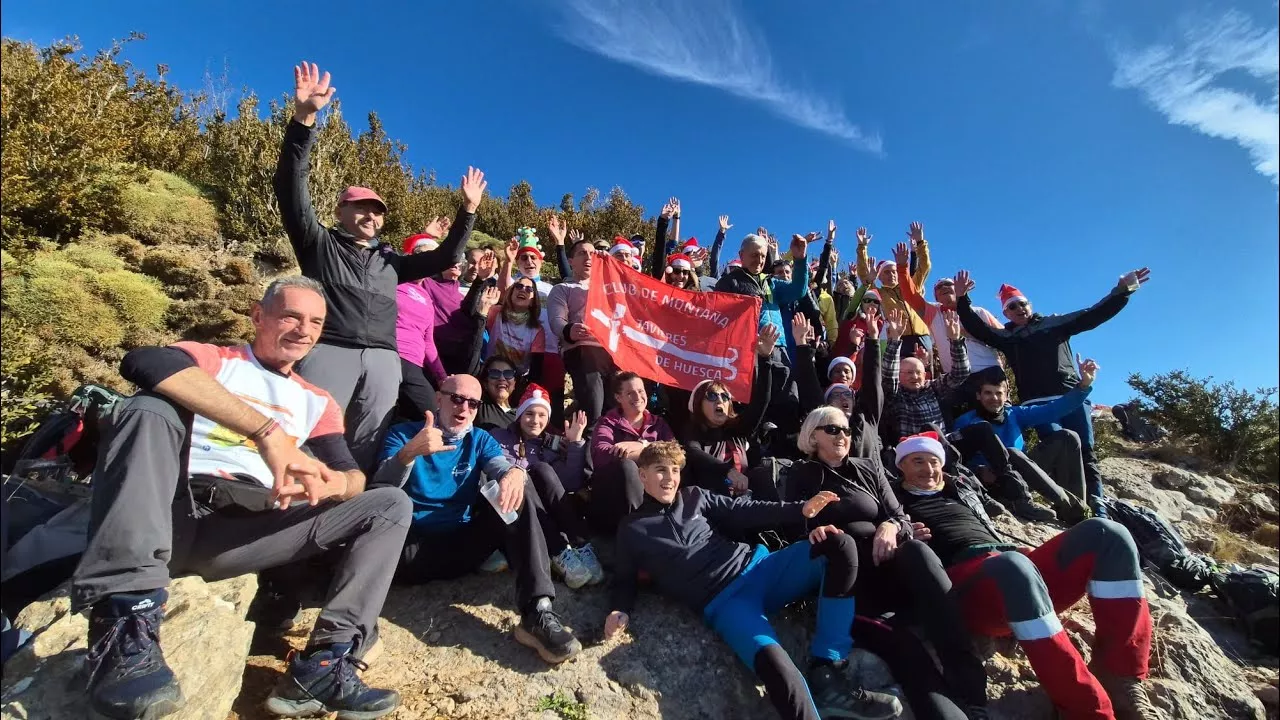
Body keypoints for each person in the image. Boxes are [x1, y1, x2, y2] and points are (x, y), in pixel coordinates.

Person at [72, 277, 408, 720]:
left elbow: (352, 474)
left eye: (315, 322)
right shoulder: (219, 361)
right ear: (258, 316)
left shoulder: (317, 400)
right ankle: (124, 629)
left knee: (390, 504)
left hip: (246, 528)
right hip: (172, 510)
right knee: (146, 409)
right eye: (290, 316)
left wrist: (333, 486)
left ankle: (326, 664)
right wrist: (267, 433)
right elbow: (143, 362)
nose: (303, 330)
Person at [274, 62, 486, 471]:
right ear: (340, 211)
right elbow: (290, 186)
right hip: (331, 348)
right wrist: (304, 121)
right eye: (362, 208)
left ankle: (351, 508)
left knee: (368, 440)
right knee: (312, 431)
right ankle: (298, 507)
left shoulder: (391, 262)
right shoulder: (318, 244)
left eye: (378, 212)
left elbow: (444, 258)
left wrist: (469, 212)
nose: (372, 217)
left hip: (383, 360)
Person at [604, 442, 903, 720]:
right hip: (727, 604)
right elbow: (625, 578)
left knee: (840, 545)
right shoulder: (632, 529)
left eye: (674, 470)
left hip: (760, 567)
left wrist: (799, 509)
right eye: (660, 470)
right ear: (642, 476)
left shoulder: (694, 496)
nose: (669, 478)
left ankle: (828, 668)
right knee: (777, 667)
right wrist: (620, 609)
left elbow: (744, 509)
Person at [892, 431, 1159, 720]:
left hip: (1011, 563)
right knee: (1013, 566)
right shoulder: (892, 500)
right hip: (965, 585)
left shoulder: (961, 488)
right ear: (900, 466)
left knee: (1110, 533)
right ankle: (1086, 709)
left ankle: (1120, 675)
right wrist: (899, 530)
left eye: (933, 461)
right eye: (917, 461)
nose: (928, 469)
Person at [786, 408, 989, 720]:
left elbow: (900, 517)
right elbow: (798, 526)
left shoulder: (869, 468)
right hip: (855, 588)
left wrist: (891, 526)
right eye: (833, 429)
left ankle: (973, 692)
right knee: (906, 649)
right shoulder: (802, 475)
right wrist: (817, 531)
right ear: (813, 436)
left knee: (918, 552)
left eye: (847, 429)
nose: (843, 435)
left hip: (894, 571)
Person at [376, 375, 582, 665]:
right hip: (410, 551)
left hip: (463, 545)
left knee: (513, 491)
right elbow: (379, 490)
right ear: (438, 398)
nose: (464, 408)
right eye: (456, 398)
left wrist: (514, 473)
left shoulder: (479, 438)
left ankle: (537, 609)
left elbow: (498, 465)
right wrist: (409, 454)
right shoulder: (403, 434)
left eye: (473, 403)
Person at [953, 267, 1152, 517]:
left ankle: (1096, 504)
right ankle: (1068, 504)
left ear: (1030, 304)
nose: (1019, 309)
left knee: (1086, 451)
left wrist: (1122, 291)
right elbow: (978, 327)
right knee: (1059, 446)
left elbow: (1092, 315)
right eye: (1012, 307)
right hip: (1038, 404)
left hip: (1071, 396)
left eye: (1022, 304)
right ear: (1005, 313)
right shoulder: (1007, 338)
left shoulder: (1055, 323)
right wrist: (962, 299)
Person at [953, 355, 1102, 512]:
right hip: (993, 482)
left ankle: (1074, 508)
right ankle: (1075, 509)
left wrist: (1084, 385)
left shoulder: (1015, 414)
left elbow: (1053, 410)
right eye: (988, 393)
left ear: (1006, 395)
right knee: (1011, 453)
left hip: (1024, 475)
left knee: (1068, 437)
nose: (994, 398)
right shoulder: (965, 421)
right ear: (978, 395)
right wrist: (978, 470)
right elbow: (956, 458)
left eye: (999, 393)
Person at [491, 386, 602, 589]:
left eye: (542, 415)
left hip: (545, 513)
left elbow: (568, 484)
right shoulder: (499, 437)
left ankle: (579, 544)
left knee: (543, 470)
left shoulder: (548, 446)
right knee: (529, 476)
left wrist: (576, 442)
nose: (535, 420)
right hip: (513, 511)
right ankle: (559, 551)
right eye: (530, 413)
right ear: (519, 414)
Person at [716, 233, 811, 430]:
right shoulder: (729, 282)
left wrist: (800, 260)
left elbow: (798, 290)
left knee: (787, 396)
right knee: (757, 397)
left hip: (779, 346)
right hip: (748, 351)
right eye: (753, 255)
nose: (759, 260)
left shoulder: (772, 282)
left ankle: (785, 439)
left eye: (762, 255)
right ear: (741, 255)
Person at [681, 326, 780, 497]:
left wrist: (764, 358)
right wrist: (728, 471)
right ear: (698, 404)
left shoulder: (738, 432)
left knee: (763, 474)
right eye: (711, 396)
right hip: (708, 505)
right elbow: (693, 452)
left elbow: (761, 400)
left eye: (725, 397)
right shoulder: (692, 434)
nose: (720, 400)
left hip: (743, 505)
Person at [587, 372, 676, 532]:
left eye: (641, 391)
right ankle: (640, 529)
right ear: (618, 397)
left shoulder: (659, 423)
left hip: (653, 492)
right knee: (627, 467)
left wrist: (642, 446)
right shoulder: (607, 423)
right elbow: (601, 454)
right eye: (630, 393)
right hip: (615, 500)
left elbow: (675, 454)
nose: (637, 397)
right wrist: (648, 454)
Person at [793, 313, 884, 461]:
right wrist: (801, 343)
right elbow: (808, 381)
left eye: (847, 394)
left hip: (867, 484)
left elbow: (872, 381)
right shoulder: (820, 421)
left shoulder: (867, 419)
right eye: (835, 395)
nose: (843, 397)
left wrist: (873, 338)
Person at [547, 241, 616, 423]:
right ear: (570, 261)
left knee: (618, 412)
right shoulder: (562, 289)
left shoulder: (612, 290)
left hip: (613, 356)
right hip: (582, 353)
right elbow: (556, 320)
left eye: (592, 253)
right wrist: (569, 330)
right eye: (582, 253)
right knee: (593, 413)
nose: (588, 257)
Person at [882, 308, 970, 441]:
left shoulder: (933, 388)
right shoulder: (895, 394)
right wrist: (894, 340)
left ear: (925, 373)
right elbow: (888, 376)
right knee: (929, 428)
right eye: (909, 373)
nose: (915, 376)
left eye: (918, 372)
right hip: (911, 448)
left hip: (942, 446)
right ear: (898, 376)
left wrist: (955, 340)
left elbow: (961, 373)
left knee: (982, 429)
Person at [853, 224, 931, 358]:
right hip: (899, 339)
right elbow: (863, 274)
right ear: (880, 277)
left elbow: (924, 267)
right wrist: (862, 248)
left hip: (923, 337)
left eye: (894, 271)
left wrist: (920, 243)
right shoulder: (879, 293)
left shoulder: (912, 286)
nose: (891, 275)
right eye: (886, 272)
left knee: (925, 376)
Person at [484, 276, 546, 377]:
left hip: (515, 379)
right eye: (518, 286)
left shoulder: (537, 330)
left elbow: (536, 370)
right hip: (489, 373)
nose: (522, 290)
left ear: (532, 301)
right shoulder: (496, 312)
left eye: (529, 289)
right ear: (511, 292)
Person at [475, 356, 519, 432]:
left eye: (508, 374)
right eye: (494, 373)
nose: (502, 378)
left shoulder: (521, 415)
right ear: (485, 383)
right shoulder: (477, 404)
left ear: (514, 384)